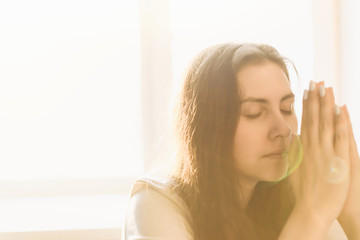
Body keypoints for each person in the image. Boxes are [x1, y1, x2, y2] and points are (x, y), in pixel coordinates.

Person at [123, 43, 360, 239]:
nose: (283, 129)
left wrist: (353, 212)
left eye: (287, 108)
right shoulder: (154, 202)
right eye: (254, 113)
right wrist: (313, 213)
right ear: (208, 127)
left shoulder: (296, 193)